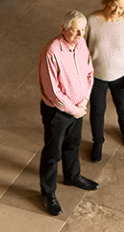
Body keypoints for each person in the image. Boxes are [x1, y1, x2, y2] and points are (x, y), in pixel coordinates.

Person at [39, 11, 99, 216]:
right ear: (63, 29)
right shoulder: (51, 53)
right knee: (52, 153)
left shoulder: (81, 45)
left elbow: (90, 72)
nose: (79, 35)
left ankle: (72, 176)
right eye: (75, 31)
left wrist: (84, 100)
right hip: (58, 112)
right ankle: (48, 193)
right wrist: (75, 110)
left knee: (73, 144)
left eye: (82, 31)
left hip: (78, 108)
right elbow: (52, 92)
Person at [84, 0, 124, 162]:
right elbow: (81, 50)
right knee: (97, 111)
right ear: (107, 1)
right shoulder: (92, 20)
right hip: (96, 78)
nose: (116, 11)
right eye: (114, 5)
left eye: (121, 8)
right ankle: (98, 141)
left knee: (123, 106)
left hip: (121, 76)